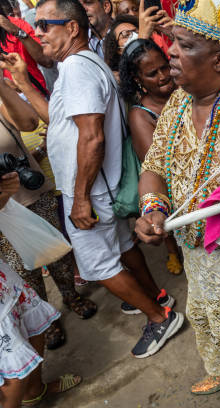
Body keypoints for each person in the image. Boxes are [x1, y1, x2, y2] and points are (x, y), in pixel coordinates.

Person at [135, 0, 220, 405]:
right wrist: (153, 208)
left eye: (183, 45)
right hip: (195, 249)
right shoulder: (177, 103)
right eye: (172, 44)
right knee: (207, 314)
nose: (170, 54)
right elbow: (154, 166)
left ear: (218, 59)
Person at [24, 0, 183, 358]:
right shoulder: (80, 64)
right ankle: (157, 297)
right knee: (124, 248)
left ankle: (159, 317)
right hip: (98, 186)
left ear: (72, 28)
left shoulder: (78, 69)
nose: (38, 33)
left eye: (46, 25)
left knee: (98, 266)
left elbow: (92, 135)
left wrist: (79, 198)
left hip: (91, 191)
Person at [0, 64, 97, 350]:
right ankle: (47, 320)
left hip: (30, 194)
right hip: (2, 213)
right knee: (25, 270)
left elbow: (30, 123)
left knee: (56, 253)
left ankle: (71, 296)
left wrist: (3, 86)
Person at [0, 172, 81, 408]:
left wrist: (3, 195)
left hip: (5, 280)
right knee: (10, 366)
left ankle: (35, 391)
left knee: (30, 325)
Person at [118, 38, 182, 275]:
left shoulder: (184, 90)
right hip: (171, 187)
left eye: (165, 67)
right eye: (152, 73)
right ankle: (173, 250)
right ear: (138, 80)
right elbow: (156, 165)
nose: (163, 75)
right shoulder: (140, 115)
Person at [0, 1, 53, 95]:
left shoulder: (17, 25)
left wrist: (17, 32)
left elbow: (46, 61)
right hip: (7, 101)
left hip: (35, 94)